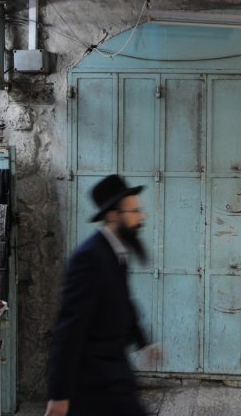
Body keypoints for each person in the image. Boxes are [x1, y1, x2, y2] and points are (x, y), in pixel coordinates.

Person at [45, 174, 160, 416]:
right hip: (94, 383)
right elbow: (69, 328)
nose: (142, 217)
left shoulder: (116, 252)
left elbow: (124, 303)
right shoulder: (89, 258)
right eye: (134, 211)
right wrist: (59, 394)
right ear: (114, 215)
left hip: (114, 375)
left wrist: (144, 342)